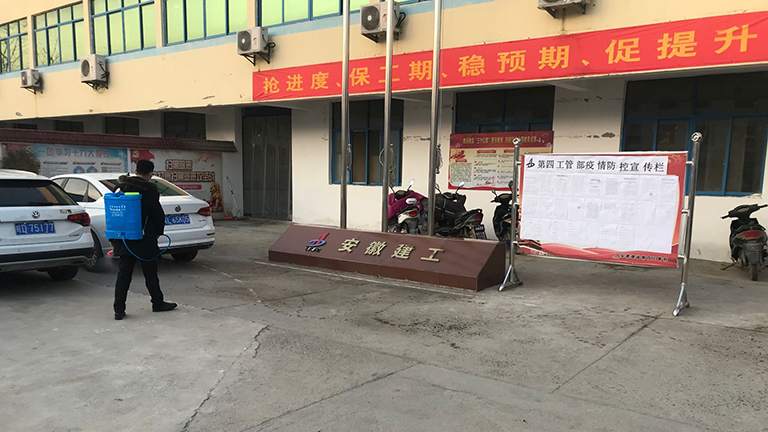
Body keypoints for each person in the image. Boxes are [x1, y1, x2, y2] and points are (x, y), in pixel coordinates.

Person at [111, 159, 177, 320]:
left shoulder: (120, 187)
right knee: (150, 273)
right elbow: (157, 213)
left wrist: (114, 237)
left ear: (136, 171)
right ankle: (157, 303)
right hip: (144, 238)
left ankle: (119, 309)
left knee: (124, 274)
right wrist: (158, 232)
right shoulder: (149, 190)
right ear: (150, 173)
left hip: (124, 237)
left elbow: (113, 213)